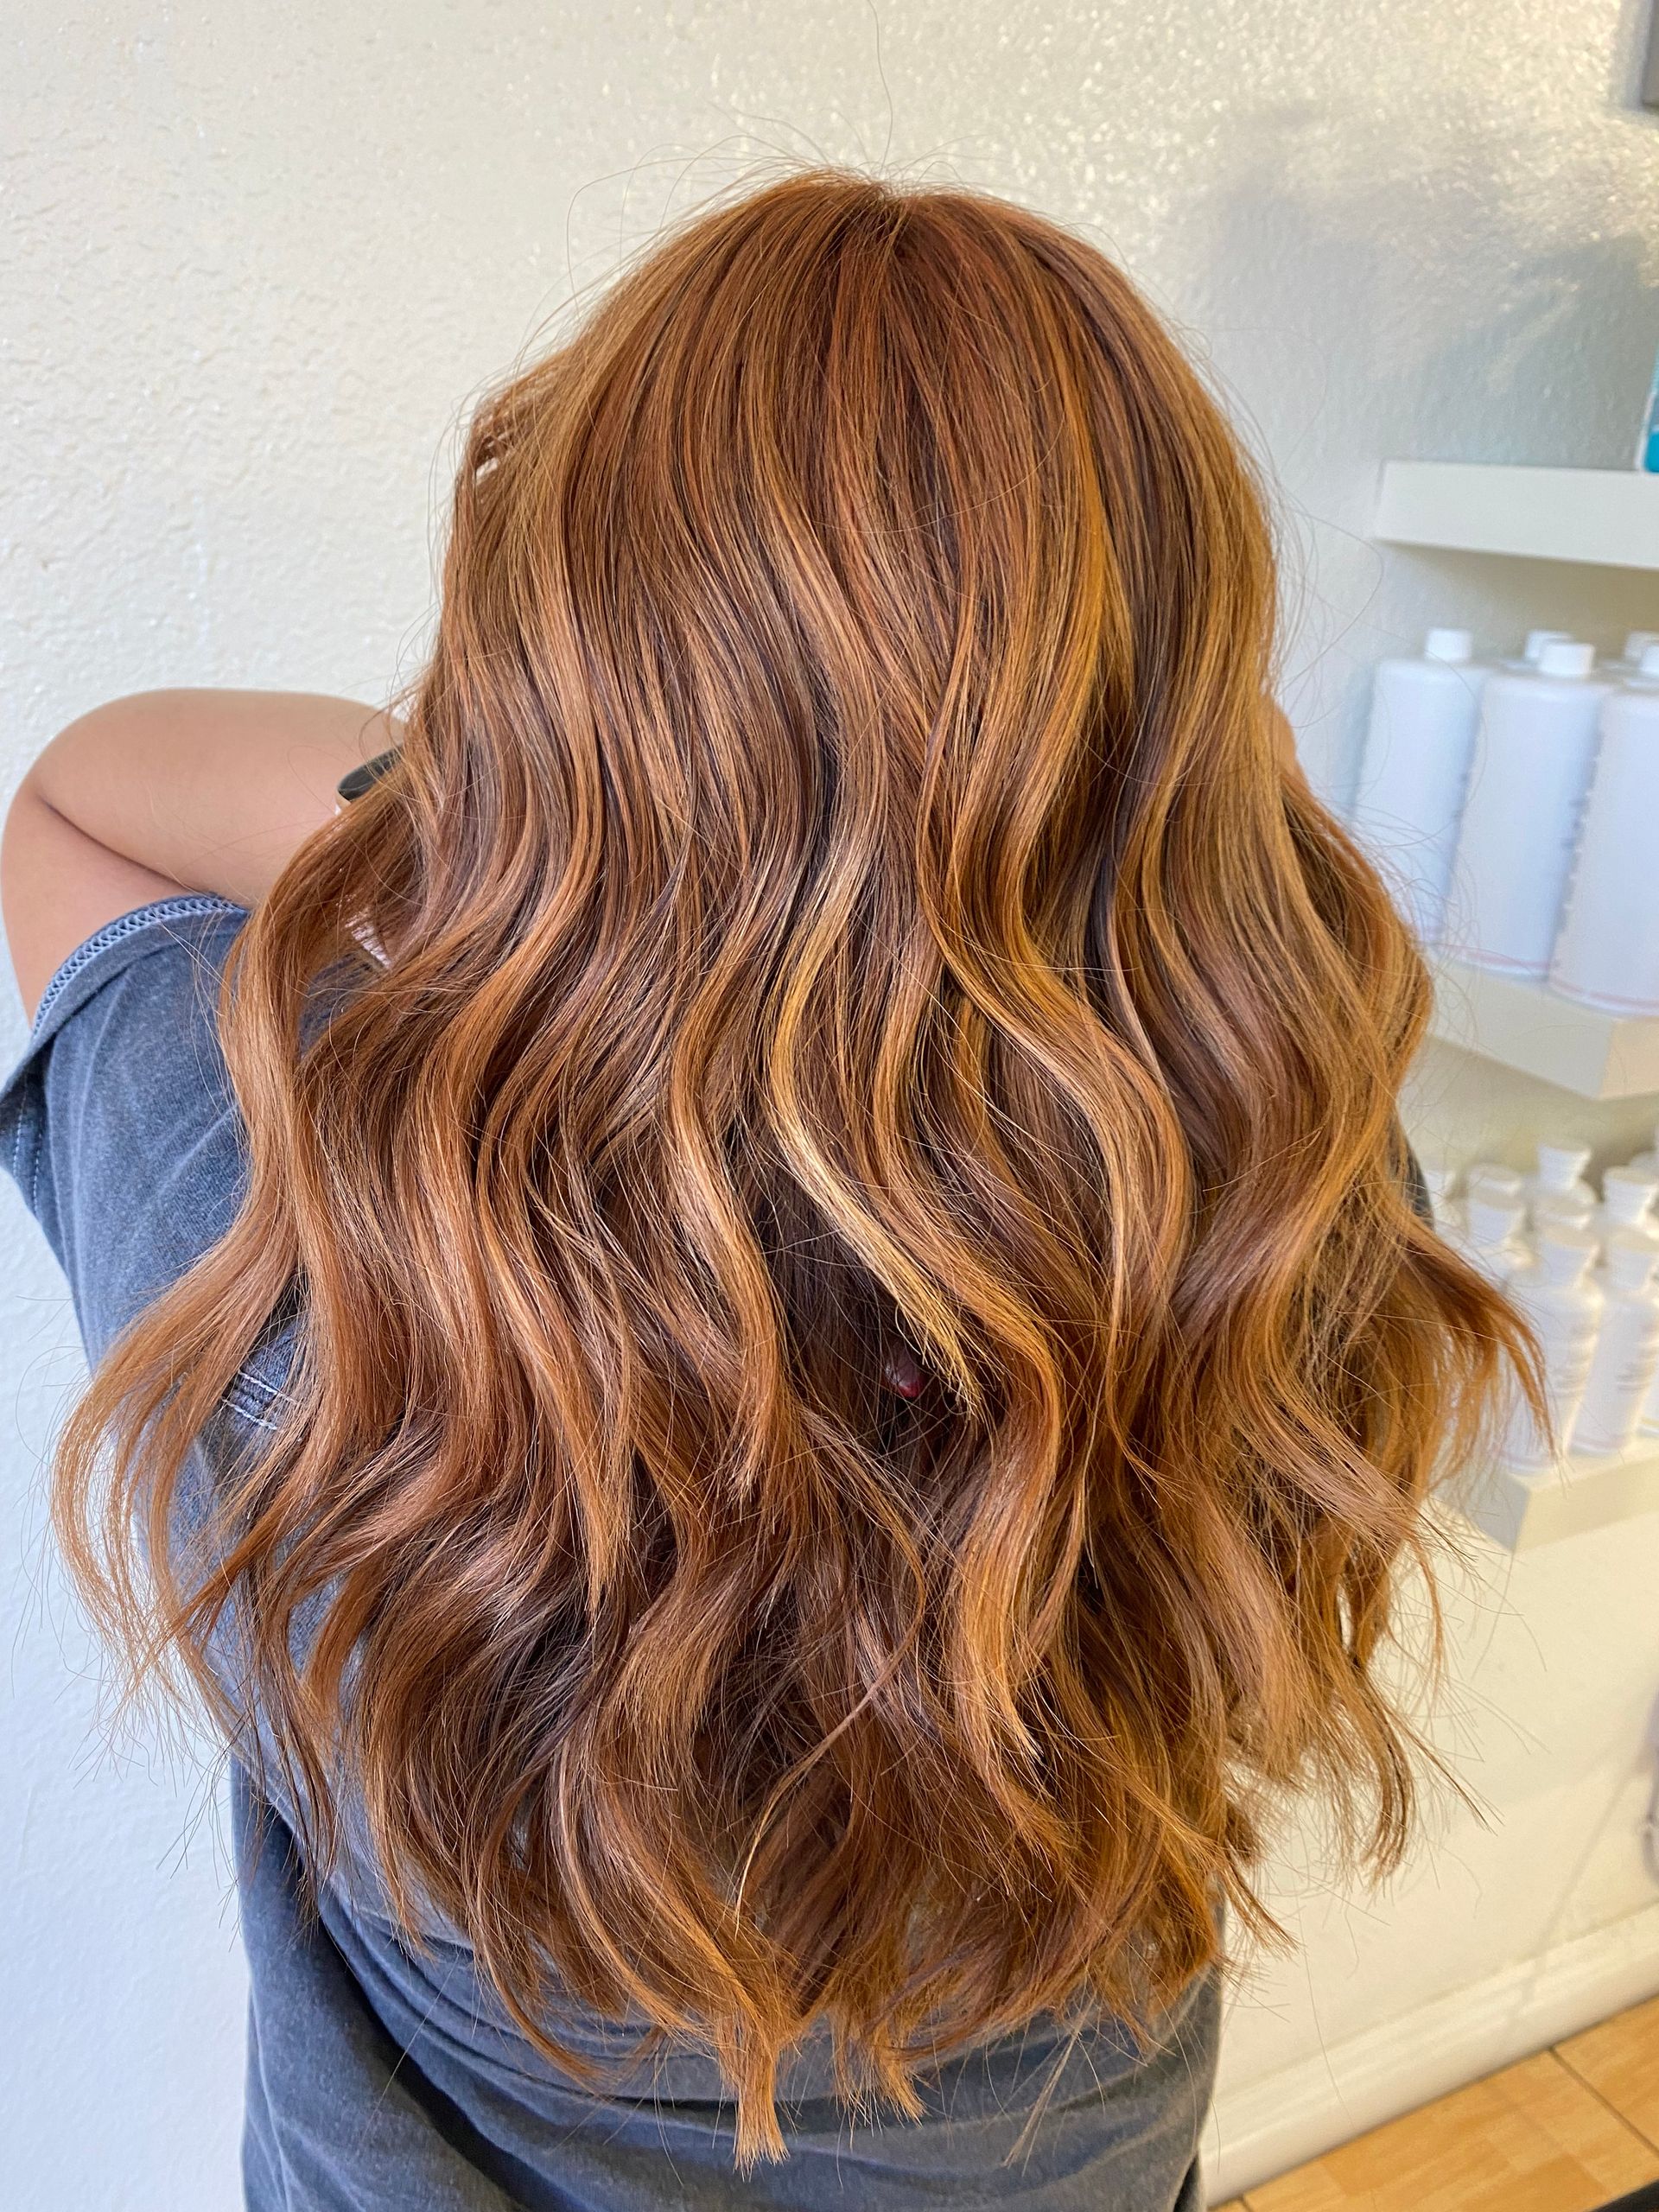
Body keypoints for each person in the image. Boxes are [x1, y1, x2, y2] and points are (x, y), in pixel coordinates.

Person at [0, 167, 1535, 2211]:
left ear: (553, 700)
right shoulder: (1286, 1233)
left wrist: (566, 829)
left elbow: (81, 803)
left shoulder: (299, 1298)